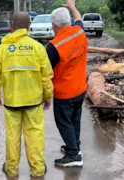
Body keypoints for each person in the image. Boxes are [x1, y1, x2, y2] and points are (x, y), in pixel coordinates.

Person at [0, 12, 54, 177]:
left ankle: (12, 170)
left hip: (12, 102)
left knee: (12, 137)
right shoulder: (37, 47)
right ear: (29, 26)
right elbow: (46, 76)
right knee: (35, 136)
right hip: (33, 102)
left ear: (12, 25)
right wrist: (48, 97)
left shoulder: (3, 48)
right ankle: (38, 170)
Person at [46, 0, 88, 167]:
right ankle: (74, 146)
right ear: (68, 22)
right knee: (75, 120)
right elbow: (78, 17)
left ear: (54, 25)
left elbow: (45, 73)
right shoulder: (79, 32)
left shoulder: (54, 46)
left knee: (64, 122)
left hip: (65, 93)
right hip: (80, 89)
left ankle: (73, 155)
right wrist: (72, 7)